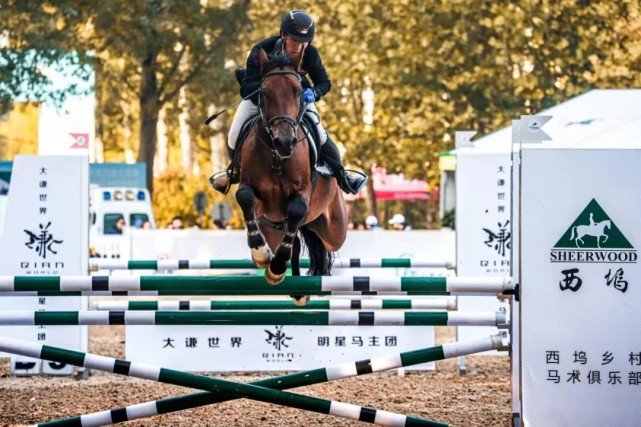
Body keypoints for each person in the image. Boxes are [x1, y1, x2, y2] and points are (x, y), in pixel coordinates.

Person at [210, 10, 367, 196]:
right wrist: (270, 92)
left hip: (297, 98)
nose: (300, 46)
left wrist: (314, 93)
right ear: (283, 35)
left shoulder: (310, 53)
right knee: (234, 134)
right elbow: (246, 87)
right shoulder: (261, 49)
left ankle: (342, 176)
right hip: (262, 97)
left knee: (321, 135)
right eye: (295, 40)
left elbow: (324, 82)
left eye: (305, 42)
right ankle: (235, 172)